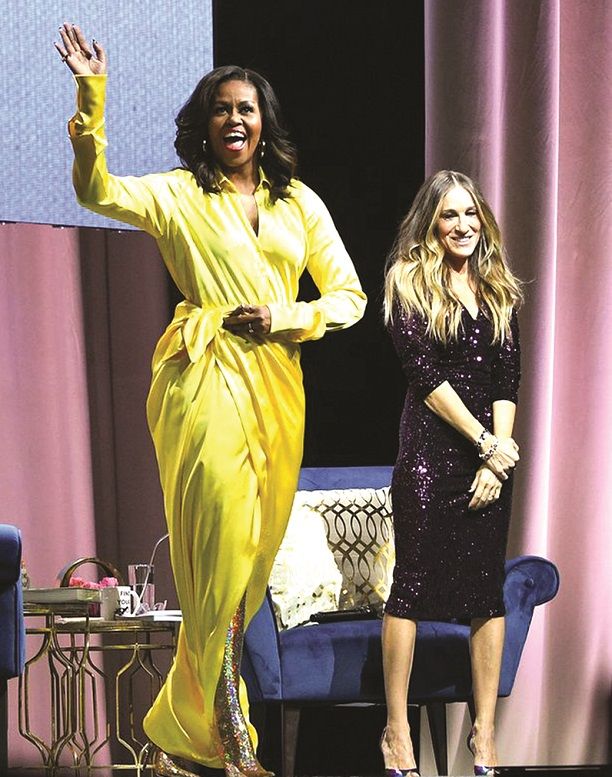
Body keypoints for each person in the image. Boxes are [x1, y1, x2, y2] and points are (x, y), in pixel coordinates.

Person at [54, 23, 366, 777]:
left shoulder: (299, 204)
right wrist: (91, 96)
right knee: (221, 551)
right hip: (203, 377)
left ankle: (172, 738)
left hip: (277, 387)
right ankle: (233, 738)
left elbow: (349, 297)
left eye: (246, 109)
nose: (234, 119)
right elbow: (97, 190)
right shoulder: (178, 194)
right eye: (221, 109)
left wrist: (288, 317)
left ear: (264, 123)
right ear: (205, 123)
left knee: (248, 563)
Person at [381, 170, 522, 777]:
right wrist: (486, 443)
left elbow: (507, 379)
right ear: (431, 225)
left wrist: (499, 455)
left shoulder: (497, 288)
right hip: (430, 456)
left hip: (489, 459)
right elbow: (426, 377)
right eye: (449, 216)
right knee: (410, 589)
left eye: (470, 214)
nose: (463, 226)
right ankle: (396, 732)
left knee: (487, 593)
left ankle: (484, 735)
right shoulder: (407, 282)